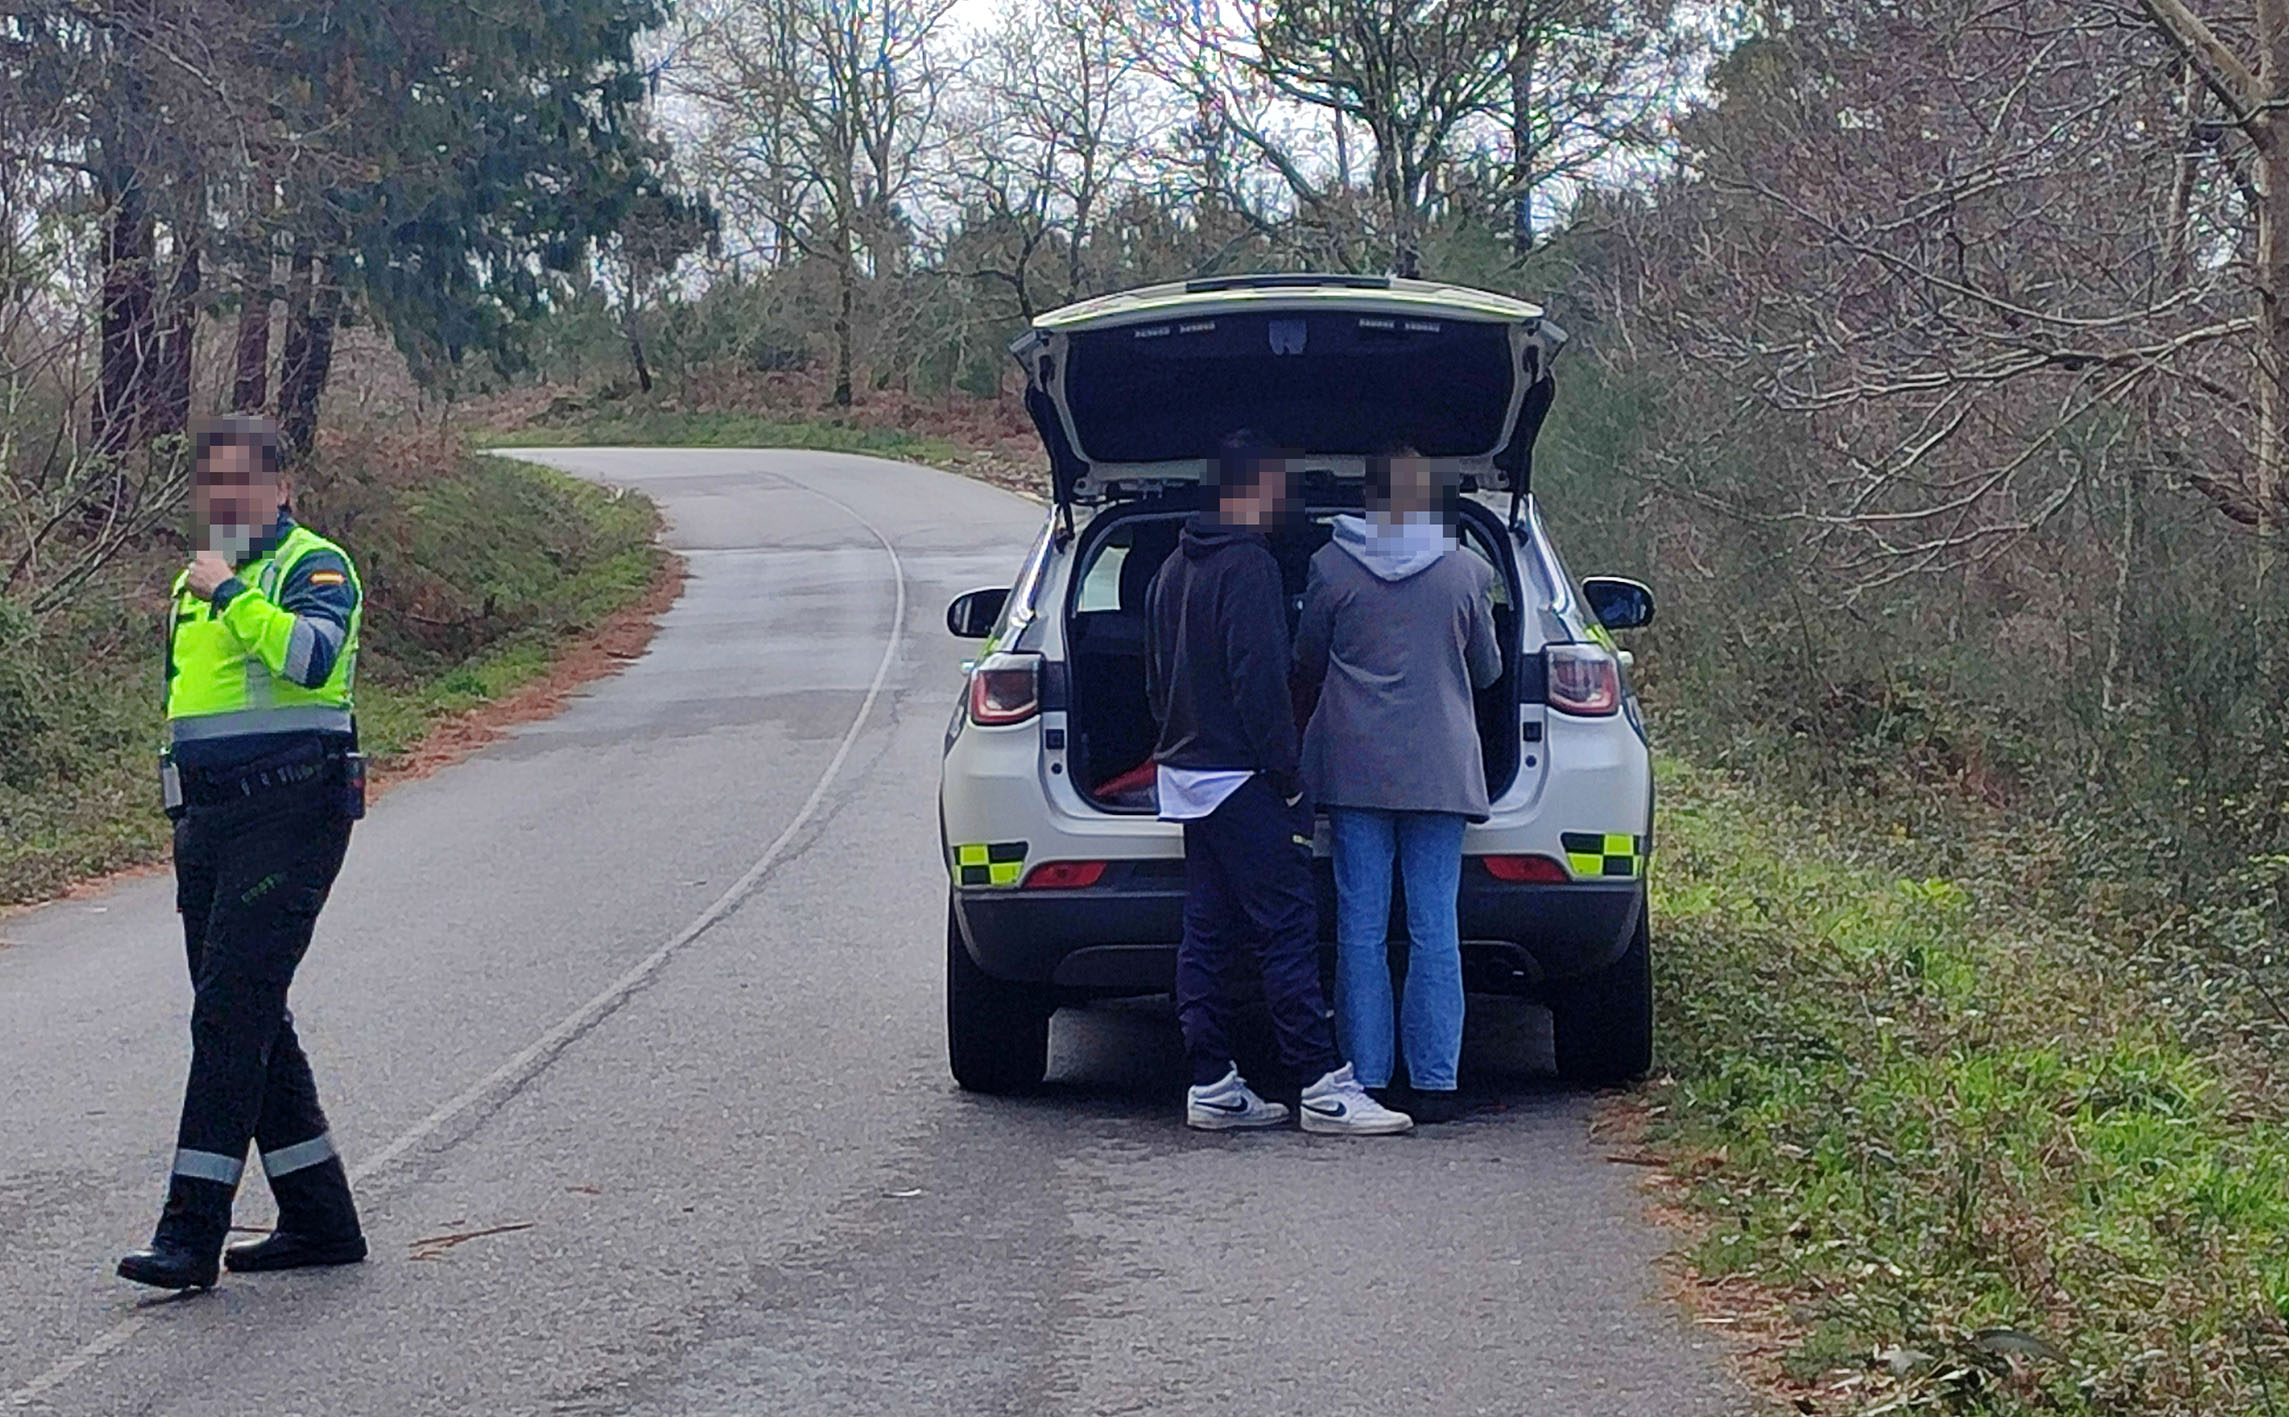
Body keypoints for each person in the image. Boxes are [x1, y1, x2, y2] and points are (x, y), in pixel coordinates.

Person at [118, 414, 369, 1290]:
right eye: (211, 484)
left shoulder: (313, 565)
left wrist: (231, 592)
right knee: (245, 1010)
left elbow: (312, 657)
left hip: (291, 809)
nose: (223, 499)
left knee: (230, 1013)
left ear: (281, 488)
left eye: (241, 482)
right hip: (209, 820)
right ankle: (320, 1218)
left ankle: (189, 1234)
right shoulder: (194, 581)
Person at [1146, 430, 1412, 1136]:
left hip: (1187, 775)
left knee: (1206, 932)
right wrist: (1287, 773)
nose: (1283, 498)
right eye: (1276, 484)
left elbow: (1154, 676)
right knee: (1286, 926)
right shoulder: (1249, 566)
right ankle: (1321, 1085)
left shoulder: (1172, 567)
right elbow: (1260, 680)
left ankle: (1211, 1081)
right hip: (1243, 776)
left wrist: (1177, 740)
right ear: (1251, 487)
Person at [1294, 445, 1501, 1125]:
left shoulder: (1329, 566)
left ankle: (1369, 1076)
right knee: (1434, 922)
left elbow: (1307, 658)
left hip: (1354, 766)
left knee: (1360, 926)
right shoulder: (1468, 571)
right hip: (1440, 768)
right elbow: (1489, 671)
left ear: (1369, 497)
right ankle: (1436, 1079)